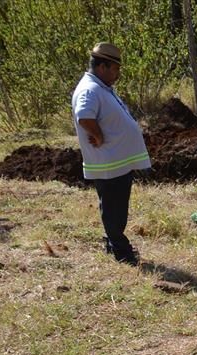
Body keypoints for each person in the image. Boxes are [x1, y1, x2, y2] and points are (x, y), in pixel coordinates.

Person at [71, 42, 151, 266]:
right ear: (102, 66)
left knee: (115, 207)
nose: (118, 75)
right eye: (115, 69)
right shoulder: (90, 89)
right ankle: (121, 250)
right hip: (109, 163)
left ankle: (112, 241)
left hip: (115, 162)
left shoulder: (100, 87)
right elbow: (84, 116)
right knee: (114, 209)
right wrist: (97, 135)